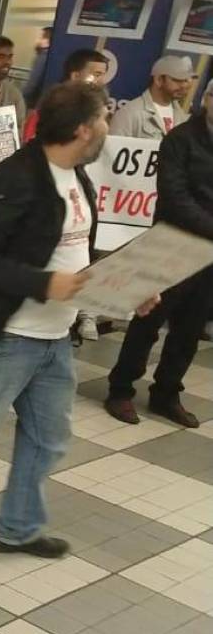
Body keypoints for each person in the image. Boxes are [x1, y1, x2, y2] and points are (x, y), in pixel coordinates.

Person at [0, 82, 157, 564]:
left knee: (49, 438)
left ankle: (17, 527)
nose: (109, 129)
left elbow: (77, 252)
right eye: (104, 120)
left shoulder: (76, 176)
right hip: (4, 338)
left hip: (54, 341)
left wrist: (127, 289)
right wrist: (42, 284)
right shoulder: (14, 178)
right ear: (84, 128)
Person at [103, 85, 213, 428]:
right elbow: (175, 197)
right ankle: (121, 388)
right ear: (208, 100)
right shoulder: (181, 139)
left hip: (208, 255)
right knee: (149, 320)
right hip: (171, 243)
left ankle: (167, 393)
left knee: (190, 328)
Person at [22, 49, 107, 143]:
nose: (102, 82)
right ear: (75, 76)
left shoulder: (98, 112)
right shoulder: (46, 110)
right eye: (97, 75)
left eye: (103, 75)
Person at [109, 54, 193, 140]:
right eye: (177, 80)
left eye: (185, 80)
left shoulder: (182, 116)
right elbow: (113, 151)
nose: (184, 85)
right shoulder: (129, 114)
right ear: (158, 80)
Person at [24, 27, 53, 107]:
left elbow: (32, 83)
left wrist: (21, 96)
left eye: (42, 36)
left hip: (34, 101)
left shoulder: (43, 57)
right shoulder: (49, 56)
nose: (38, 40)